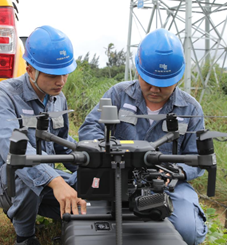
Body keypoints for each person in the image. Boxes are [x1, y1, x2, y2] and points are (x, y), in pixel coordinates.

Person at [78, 28, 208, 245]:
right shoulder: (118, 95)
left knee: (189, 232)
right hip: (116, 176)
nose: (155, 88)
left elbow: (197, 157)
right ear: (138, 70)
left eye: (164, 84)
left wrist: (176, 171)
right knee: (87, 216)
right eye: (148, 80)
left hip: (166, 184)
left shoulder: (190, 109)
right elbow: (90, 128)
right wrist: (106, 153)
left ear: (178, 78)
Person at [0, 25, 86, 245]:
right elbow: (13, 151)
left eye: (65, 73)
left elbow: (63, 145)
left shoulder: (58, 98)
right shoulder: (2, 95)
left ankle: (57, 211)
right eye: (53, 75)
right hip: (6, 178)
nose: (61, 81)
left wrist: (91, 165)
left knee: (90, 185)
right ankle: (25, 236)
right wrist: (55, 181)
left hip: (46, 177)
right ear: (30, 70)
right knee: (24, 170)